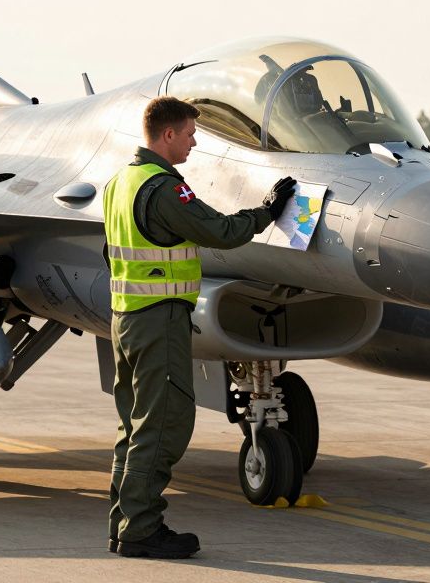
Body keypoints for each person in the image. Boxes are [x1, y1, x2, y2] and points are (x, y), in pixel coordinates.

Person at [104, 96, 296, 559]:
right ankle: (141, 530)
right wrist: (268, 211)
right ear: (168, 134)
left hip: (126, 317)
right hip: (159, 319)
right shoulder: (164, 189)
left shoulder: (120, 181)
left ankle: (123, 523)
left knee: (134, 425)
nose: (194, 142)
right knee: (164, 424)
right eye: (190, 134)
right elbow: (220, 232)